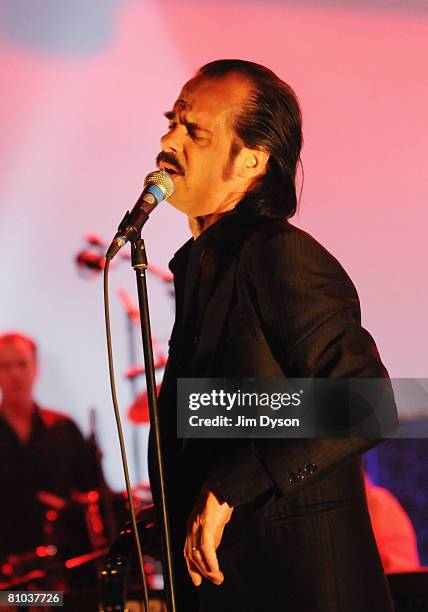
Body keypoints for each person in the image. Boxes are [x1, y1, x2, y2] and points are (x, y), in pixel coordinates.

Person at [149, 59, 397, 611]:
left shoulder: (277, 253)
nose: (168, 139)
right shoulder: (203, 268)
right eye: (172, 121)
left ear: (251, 160)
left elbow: (367, 400)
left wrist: (228, 487)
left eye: (195, 131)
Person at [0, 332, 101, 584]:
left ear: (36, 368)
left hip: (62, 572)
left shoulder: (64, 428)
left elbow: (94, 494)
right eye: (4, 366)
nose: (15, 374)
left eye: (22, 364)